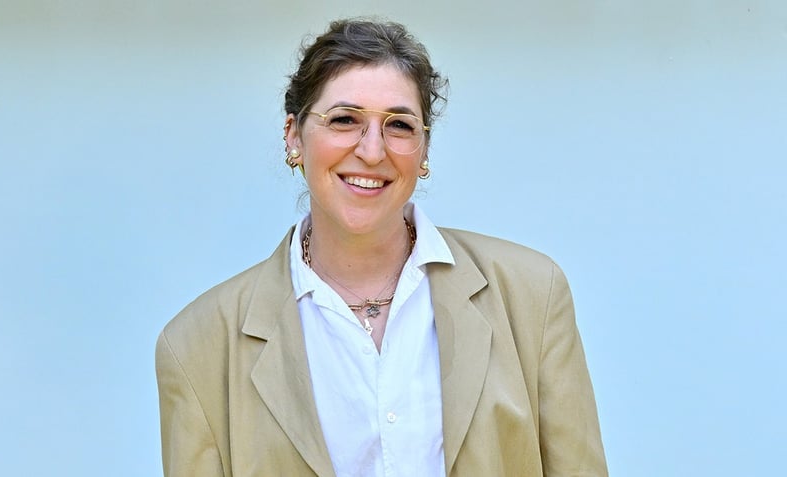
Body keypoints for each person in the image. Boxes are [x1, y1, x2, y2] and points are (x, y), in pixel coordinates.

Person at [156, 17, 608, 477]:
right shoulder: (197, 345)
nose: (372, 151)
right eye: (345, 120)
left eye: (399, 125)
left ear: (424, 147)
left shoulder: (533, 295)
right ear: (294, 135)